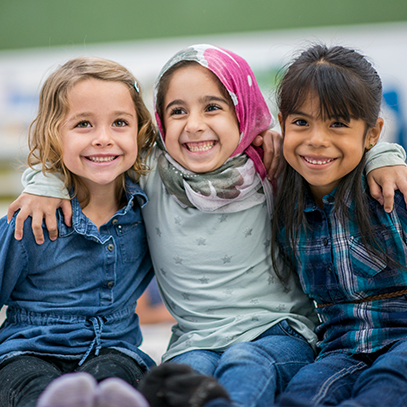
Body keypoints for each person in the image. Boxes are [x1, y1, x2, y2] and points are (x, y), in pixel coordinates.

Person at [7, 45, 407, 407]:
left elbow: (340, 153)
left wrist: (384, 155)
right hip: (194, 341)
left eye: (213, 107)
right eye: (177, 111)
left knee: (245, 361)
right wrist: (45, 180)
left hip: (277, 333)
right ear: (160, 124)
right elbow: (100, 157)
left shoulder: (274, 171)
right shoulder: (152, 179)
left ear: (244, 112)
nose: (194, 125)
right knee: (180, 378)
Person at [0, 56, 158, 407]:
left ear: (140, 131)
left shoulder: (151, 208)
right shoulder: (32, 218)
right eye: (84, 124)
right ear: (53, 134)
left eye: (120, 122)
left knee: (118, 376)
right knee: (25, 384)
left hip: (115, 348)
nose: (103, 138)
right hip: (30, 349)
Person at [269, 44, 407, 406]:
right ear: (282, 123)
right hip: (339, 350)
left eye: (338, 123)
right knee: (299, 398)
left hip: (404, 343)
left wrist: (387, 157)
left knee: (383, 389)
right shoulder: (282, 199)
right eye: (301, 122)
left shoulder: (393, 191)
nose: (317, 139)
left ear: (373, 133)